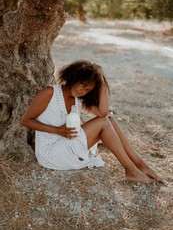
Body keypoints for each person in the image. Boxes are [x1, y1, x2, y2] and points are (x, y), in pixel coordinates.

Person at [21, 60, 164, 184]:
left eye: (88, 89)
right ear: (74, 77)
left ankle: (141, 165)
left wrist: (100, 77)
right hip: (51, 153)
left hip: (67, 144)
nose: (83, 91)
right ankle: (131, 170)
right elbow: (26, 120)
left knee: (110, 120)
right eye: (83, 85)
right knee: (103, 123)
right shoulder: (50, 92)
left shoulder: (78, 99)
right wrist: (57, 130)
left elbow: (103, 112)